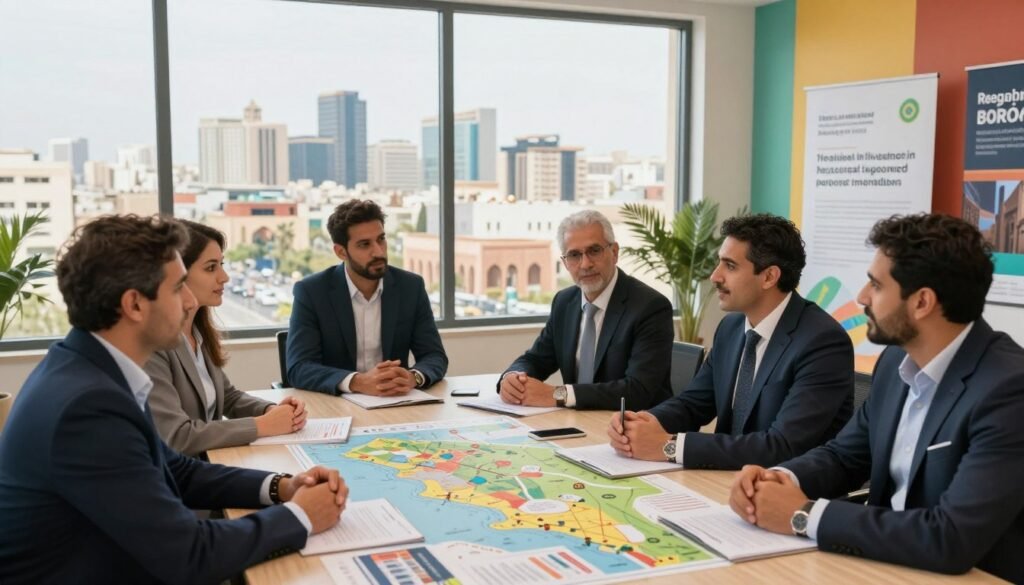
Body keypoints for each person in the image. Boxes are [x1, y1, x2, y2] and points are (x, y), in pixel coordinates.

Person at [0, 215, 348, 584]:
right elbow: (190, 556)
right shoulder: (87, 408)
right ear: (134, 304)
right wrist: (301, 515)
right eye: (179, 286)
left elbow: (176, 470)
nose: (189, 300)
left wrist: (282, 486)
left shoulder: (89, 369)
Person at [729, 214, 1024, 582]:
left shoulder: (1009, 390)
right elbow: (845, 456)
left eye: (876, 285)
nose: (862, 297)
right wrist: (779, 478)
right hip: (882, 563)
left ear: (922, 302)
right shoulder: (896, 360)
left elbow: (951, 537)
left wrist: (803, 513)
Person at [608, 214, 853, 469]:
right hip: (723, 477)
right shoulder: (731, 327)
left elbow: (782, 445)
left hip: (784, 492)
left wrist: (669, 446)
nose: (715, 276)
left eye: (730, 266)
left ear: (769, 277)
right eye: (719, 263)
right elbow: (693, 404)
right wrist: (642, 423)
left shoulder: (822, 342)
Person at [145, 220, 307, 456]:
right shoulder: (154, 345)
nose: (225, 277)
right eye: (211, 268)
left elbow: (228, 397)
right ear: (178, 274)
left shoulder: (198, 333)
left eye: (221, 264)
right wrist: (261, 426)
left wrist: (271, 410)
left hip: (212, 463)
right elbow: (177, 437)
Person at [498, 210, 673, 410]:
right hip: (578, 422)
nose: (585, 264)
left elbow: (637, 391)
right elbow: (536, 359)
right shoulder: (564, 302)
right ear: (565, 263)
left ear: (614, 252)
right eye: (574, 255)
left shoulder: (650, 307)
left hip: (632, 427)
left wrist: (558, 394)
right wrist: (513, 377)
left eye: (594, 250)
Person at [287, 199, 448, 395]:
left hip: (394, 403)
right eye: (364, 244)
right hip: (336, 405)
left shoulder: (410, 287)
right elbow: (299, 368)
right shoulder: (312, 292)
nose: (378, 251)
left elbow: (434, 355)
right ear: (341, 252)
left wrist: (414, 377)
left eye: (381, 239)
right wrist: (358, 382)